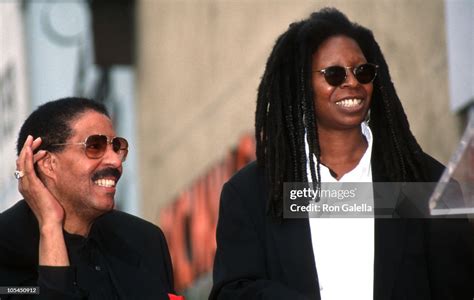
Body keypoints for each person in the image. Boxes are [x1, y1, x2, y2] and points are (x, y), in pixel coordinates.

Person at [209, 8, 474, 300]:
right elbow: (233, 291)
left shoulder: (429, 186)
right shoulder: (252, 194)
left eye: (362, 71)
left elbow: (457, 290)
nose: (352, 82)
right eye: (334, 74)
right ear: (300, 85)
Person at [0, 97, 182, 299]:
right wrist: (50, 226)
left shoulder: (144, 240)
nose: (115, 161)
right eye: (95, 146)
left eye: (117, 147)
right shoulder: (6, 246)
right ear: (48, 164)